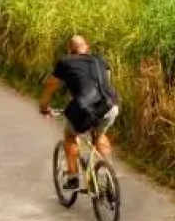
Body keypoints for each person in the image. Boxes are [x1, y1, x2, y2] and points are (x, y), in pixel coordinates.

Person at [38, 35, 120, 190]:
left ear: (69, 49)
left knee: (70, 136)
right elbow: (106, 81)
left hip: (85, 107)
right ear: (87, 47)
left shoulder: (65, 61)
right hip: (111, 105)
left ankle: (73, 178)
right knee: (100, 135)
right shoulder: (100, 60)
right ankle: (108, 174)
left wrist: (44, 106)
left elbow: (51, 84)